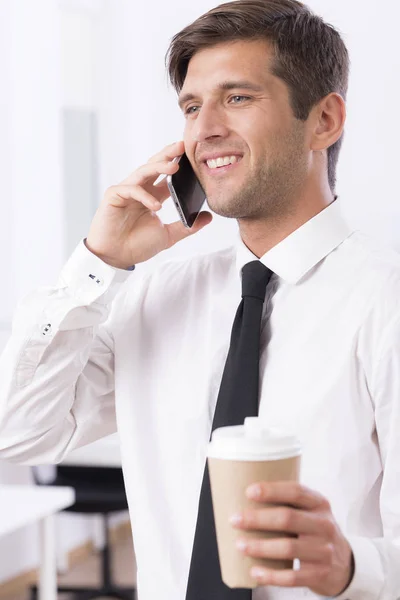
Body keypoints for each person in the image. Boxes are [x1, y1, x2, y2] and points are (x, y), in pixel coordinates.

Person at [0, 0, 399, 598]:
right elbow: (19, 432)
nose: (203, 128)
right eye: (191, 105)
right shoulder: (153, 298)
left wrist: (350, 567)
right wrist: (98, 262)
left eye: (236, 97)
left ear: (323, 120)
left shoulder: (383, 303)